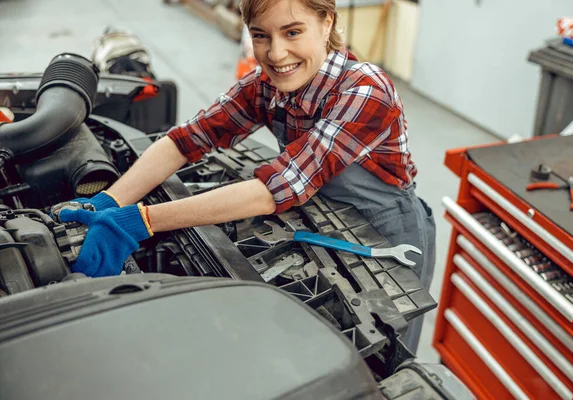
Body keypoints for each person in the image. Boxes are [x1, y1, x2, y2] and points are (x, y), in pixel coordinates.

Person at [58, 0, 436, 354]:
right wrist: (109, 202)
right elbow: (186, 140)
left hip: (386, 234)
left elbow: (278, 187)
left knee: (375, 359)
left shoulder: (366, 90)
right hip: (323, 219)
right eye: (261, 35)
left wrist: (140, 221)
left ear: (327, 23)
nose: (275, 53)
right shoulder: (265, 86)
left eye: (292, 32)